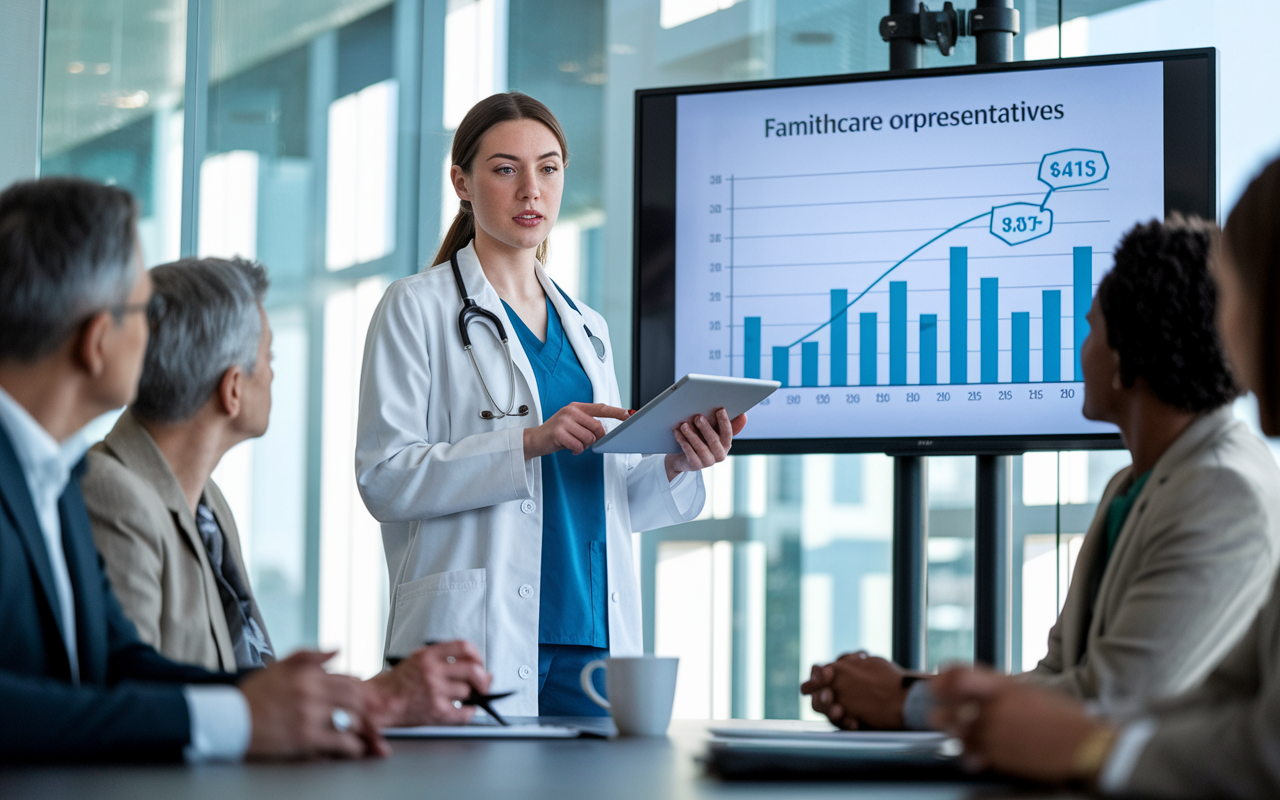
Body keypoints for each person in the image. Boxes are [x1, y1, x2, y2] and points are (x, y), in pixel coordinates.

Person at [802, 215, 1280, 731]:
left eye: (1090, 328)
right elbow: (1060, 673)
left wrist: (907, 702)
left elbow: (1113, 700)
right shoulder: (1132, 484)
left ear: (1124, 355)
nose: (1080, 351)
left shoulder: (1222, 490)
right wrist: (899, 689)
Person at [355, 92, 744, 716]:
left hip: (592, 636)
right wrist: (530, 440)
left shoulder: (588, 329)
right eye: (506, 169)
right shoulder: (416, 307)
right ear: (462, 181)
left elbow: (610, 501)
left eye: (549, 167)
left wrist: (678, 461)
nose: (530, 190)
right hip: (474, 633)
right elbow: (385, 479)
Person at [930, 156, 1280, 797]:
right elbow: (1215, 700)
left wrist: (921, 703)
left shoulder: (1225, 489)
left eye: (1236, 297)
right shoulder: (1131, 485)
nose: (1224, 330)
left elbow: (1130, 700)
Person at [80, 256, 489, 728]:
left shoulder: (207, 501)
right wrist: (366, 700)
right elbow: (136, 703)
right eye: (268, 358)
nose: (273, 374)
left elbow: (245, 678)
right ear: (232, 389)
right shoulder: (111, 493)